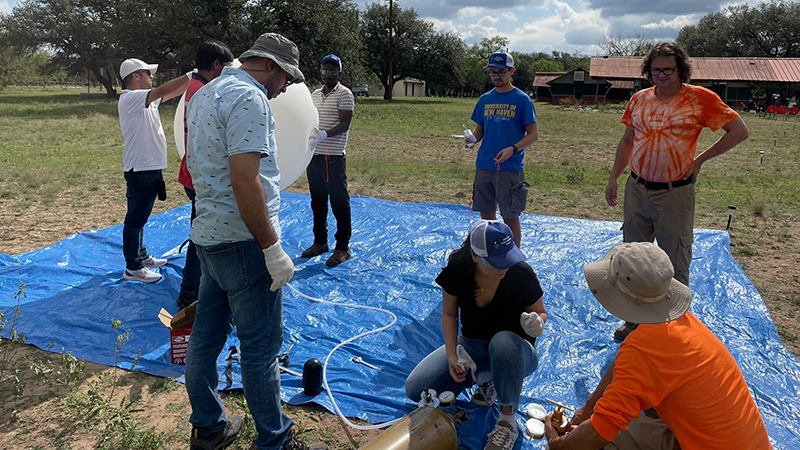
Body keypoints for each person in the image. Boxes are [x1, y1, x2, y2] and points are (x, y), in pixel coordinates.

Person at [183, 33, 304, 450]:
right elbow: (245, 179)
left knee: (205, 337)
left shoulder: (205, 91)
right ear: (270, 65)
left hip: (208, 236)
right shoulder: (250, 98)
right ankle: (274, 439)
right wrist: (272, 249)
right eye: (286, 76)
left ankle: (208, 427)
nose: (286, 87)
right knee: (260, 348)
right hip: (243, 243)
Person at [543, 242, 771, 450]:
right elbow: (625, 365)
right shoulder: (676, 322)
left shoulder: (644, 349)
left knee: (598, 442)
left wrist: (557, 444)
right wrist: (590, 405)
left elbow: (600, 430)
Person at [605, 42, 749, 340]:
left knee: (674, 258)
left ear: (681, 70)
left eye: (668, 69)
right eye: (656, 69)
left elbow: (739, 131)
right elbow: (628, 141)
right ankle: (634, 323)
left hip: (674, 192)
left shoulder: (700, 99)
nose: (661, 75)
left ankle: (672, 331)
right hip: (638, 187)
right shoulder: (639, 100)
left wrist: (700, 160)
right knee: (633, 258)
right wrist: (614, 178)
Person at [405, 219, 547, 450]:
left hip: (515, 353)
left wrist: (537, 324)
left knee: (502, 341)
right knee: (416, 389)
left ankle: (507, 420)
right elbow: (450, 314)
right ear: (475, 256)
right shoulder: (458, 270)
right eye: (495, 262)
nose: (503, 268)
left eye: (507, 258)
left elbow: (540, 312)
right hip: (472, 346)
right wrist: (452, 355)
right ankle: (487, 377)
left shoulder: (520, 273)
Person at [118, 58, 190, 283]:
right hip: (139, 170)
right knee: (135, 220)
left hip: (149, 168)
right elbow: (164, 89)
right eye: (147, 73)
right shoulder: (130, 98)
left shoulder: (146, 101)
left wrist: (193, 81)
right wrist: (192, 73)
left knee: (142, 218)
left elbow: (171, 92)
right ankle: (133, 267)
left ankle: (141, 256)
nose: (151, 76)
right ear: (135, 76)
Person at [175, 41, 235, 310]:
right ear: (216, 65)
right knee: (201, 240)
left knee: (201, 234)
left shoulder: (193, 86)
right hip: (199, 177)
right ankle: (189, 295)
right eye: (225, 67)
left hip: (191, 173)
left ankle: (195, 291)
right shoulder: (204, 92)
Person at [465, 51, 539, 248]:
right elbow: (479, 131)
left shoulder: (522, 100)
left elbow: (533, 135)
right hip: (484, 165)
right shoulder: (484, 99)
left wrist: (512, 149)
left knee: (510, 216)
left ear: (511, 71)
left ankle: (513, 259)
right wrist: (472, 139)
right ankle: (492, 252)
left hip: (510, 168)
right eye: (492, 72)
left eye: (501, 72)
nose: (496, 76)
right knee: (487, 215)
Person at [303, 54, 355, 267]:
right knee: (317, 202)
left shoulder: (345, 94)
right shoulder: (314, 94)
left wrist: (325, 134)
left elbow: (344, 124)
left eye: (333, 70)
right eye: (325, 69)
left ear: (339, 72)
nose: (328, 73)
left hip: (333, 158)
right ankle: (320, 242)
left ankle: (342, 247)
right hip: (314, 156)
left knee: (339, 203)